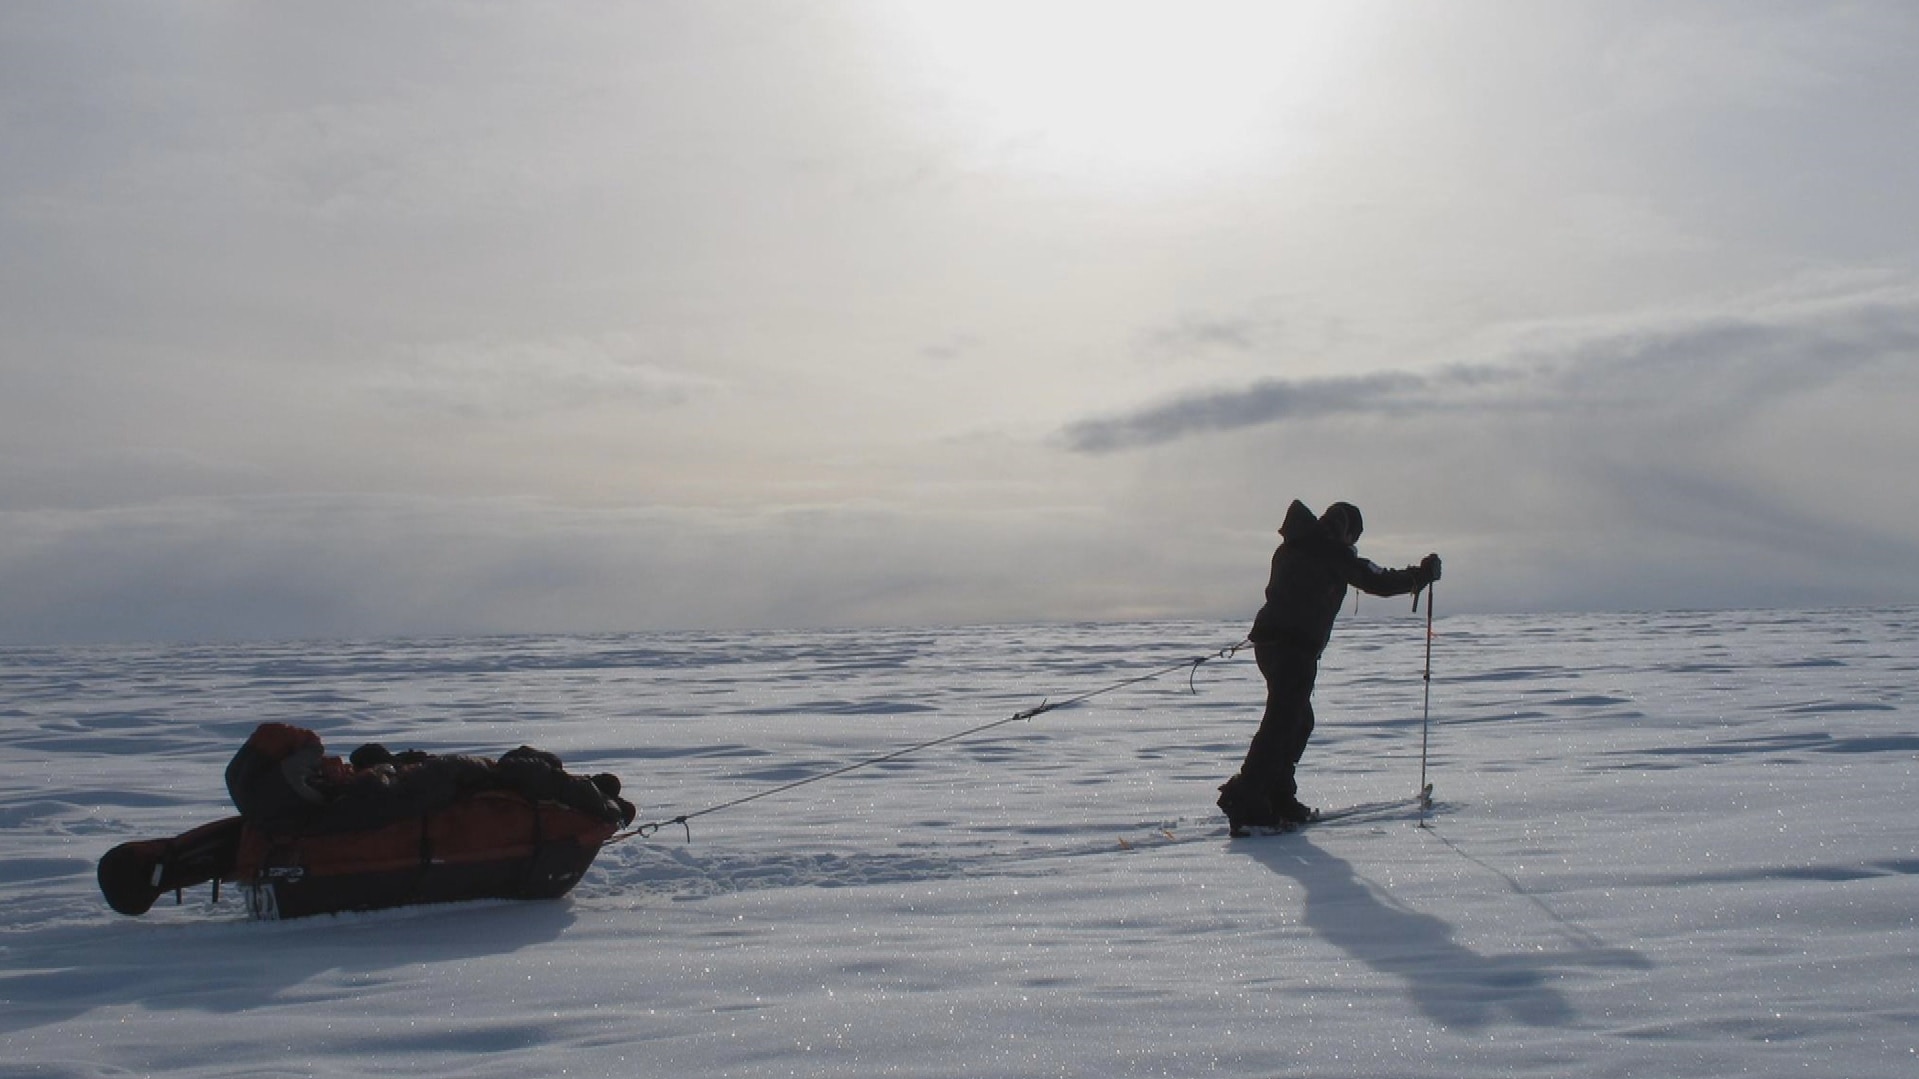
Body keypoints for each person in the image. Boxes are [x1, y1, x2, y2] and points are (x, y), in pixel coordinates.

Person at [1217, 500, 1440, 835]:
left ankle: (1277, 795)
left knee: (1297, 720)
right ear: (1346, 531)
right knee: (1282, 724)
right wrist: (1418, 577)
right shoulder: (1330, 551)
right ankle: (1246, 798)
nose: (1351, 545)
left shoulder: (1292, 546)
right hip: (1293, 648)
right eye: (1353, 537)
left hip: (1271, 646)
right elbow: (1373, 578)